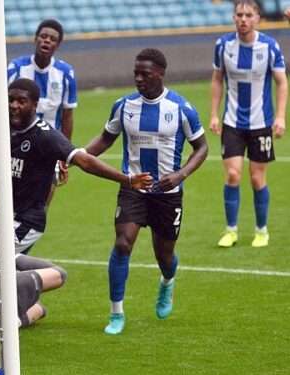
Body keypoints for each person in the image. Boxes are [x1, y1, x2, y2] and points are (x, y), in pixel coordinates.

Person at [0, 78, 152, 351]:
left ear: (35, 104)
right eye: (11, 99)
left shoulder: (46, 135)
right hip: (0, 215)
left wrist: (126, 180)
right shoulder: (2, 128)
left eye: (21, 101)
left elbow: (84, 160)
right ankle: (5, 318)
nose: (14, 105)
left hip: (24, 221)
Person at [85, 48, 208, 335]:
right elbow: (105, 139)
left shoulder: (181, 108)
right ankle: (116, 314)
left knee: (164, 257)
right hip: (133, 188)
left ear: (161, 73)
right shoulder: (123, 106)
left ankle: (167, 282)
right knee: (122, 243)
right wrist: (76, 155)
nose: (139, 79)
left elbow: (202, 147)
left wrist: (180, 174)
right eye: (136, 73)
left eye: (145, 74)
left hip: (168, 194)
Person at [210, 0, 286, 248]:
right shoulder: (223, 45)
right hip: (232, 122)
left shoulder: (269, 46)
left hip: (261, 122)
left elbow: (281, 82)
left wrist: (280, 116)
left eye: (248, 15)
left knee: (256, 178)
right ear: (234, 17)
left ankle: (261, 230)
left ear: (258, 18)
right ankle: (231, 230)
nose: (243, 19)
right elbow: (217, 80)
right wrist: (213, 113)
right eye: (239, 14)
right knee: (232, 174)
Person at [7, 19, 76, 208]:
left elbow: (67, 115)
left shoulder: (66, 73)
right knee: (9, 203)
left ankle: (22, 237)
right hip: (18, 146)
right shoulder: (16, 69)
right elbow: (2, 110)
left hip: (49, 147)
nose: (47, 41)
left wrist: (64, 153)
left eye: (52, 39)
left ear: (58, 44)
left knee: (39, 208)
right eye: (43, 36)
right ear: (35, 39)